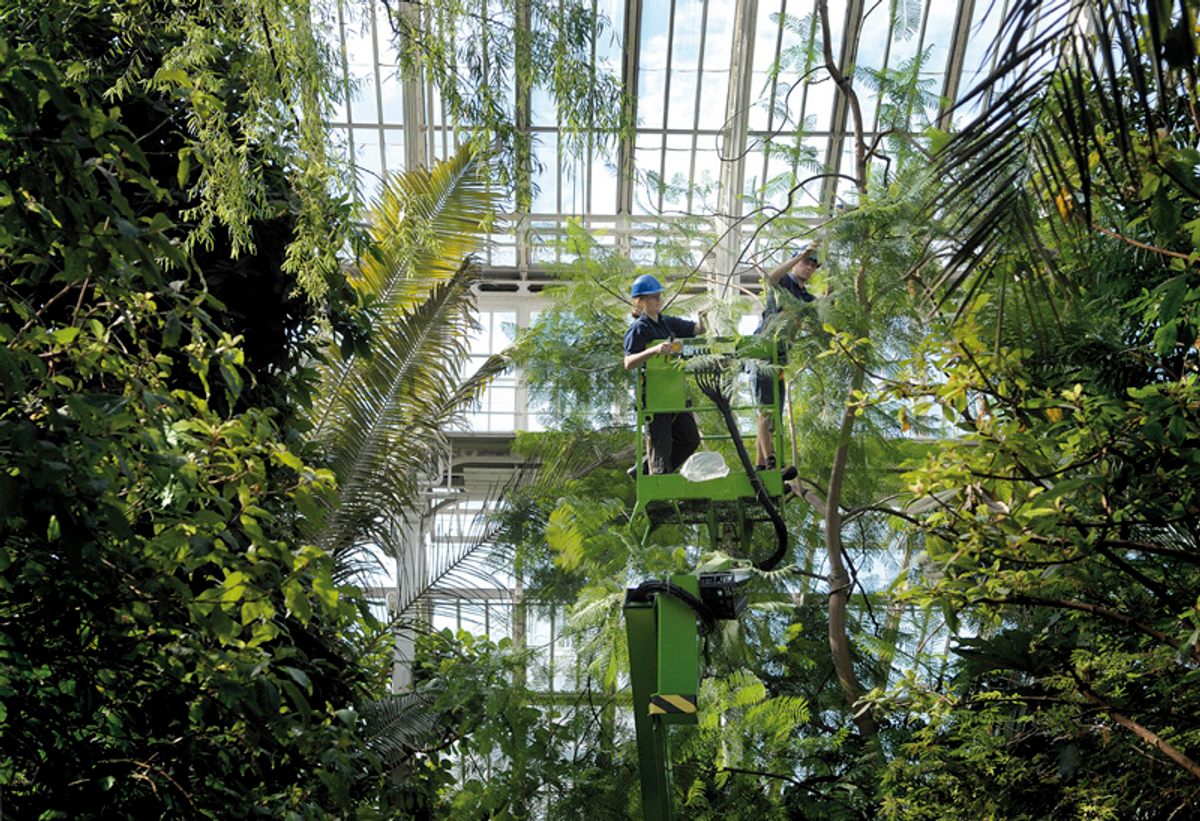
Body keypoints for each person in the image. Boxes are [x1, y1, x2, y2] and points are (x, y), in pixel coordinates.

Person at [623, 274, 707, 475]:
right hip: (654, 397)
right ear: (640, 301)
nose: (658, 301)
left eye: (659, 296)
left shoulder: (668, 323)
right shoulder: (638, 329)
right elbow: (628, 362)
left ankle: (643, 470)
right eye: (654, 297)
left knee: (690, 439)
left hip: (675, 393)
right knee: (661, 450)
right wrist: (654, 350)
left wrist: (704, 317)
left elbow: (697, 330)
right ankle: (658, 485)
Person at [752, 243, 819, 470]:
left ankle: (760, 466)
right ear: (796, 262)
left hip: (780, 356)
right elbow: (770, 278)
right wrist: (800, 254)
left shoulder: (806, 297)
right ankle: (772, 460)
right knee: (766, 407)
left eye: (813, 265)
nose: (809, 267)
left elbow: (821, 314)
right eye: (805, 262)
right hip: (763, 349)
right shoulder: (784, 282)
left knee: (774, 411)